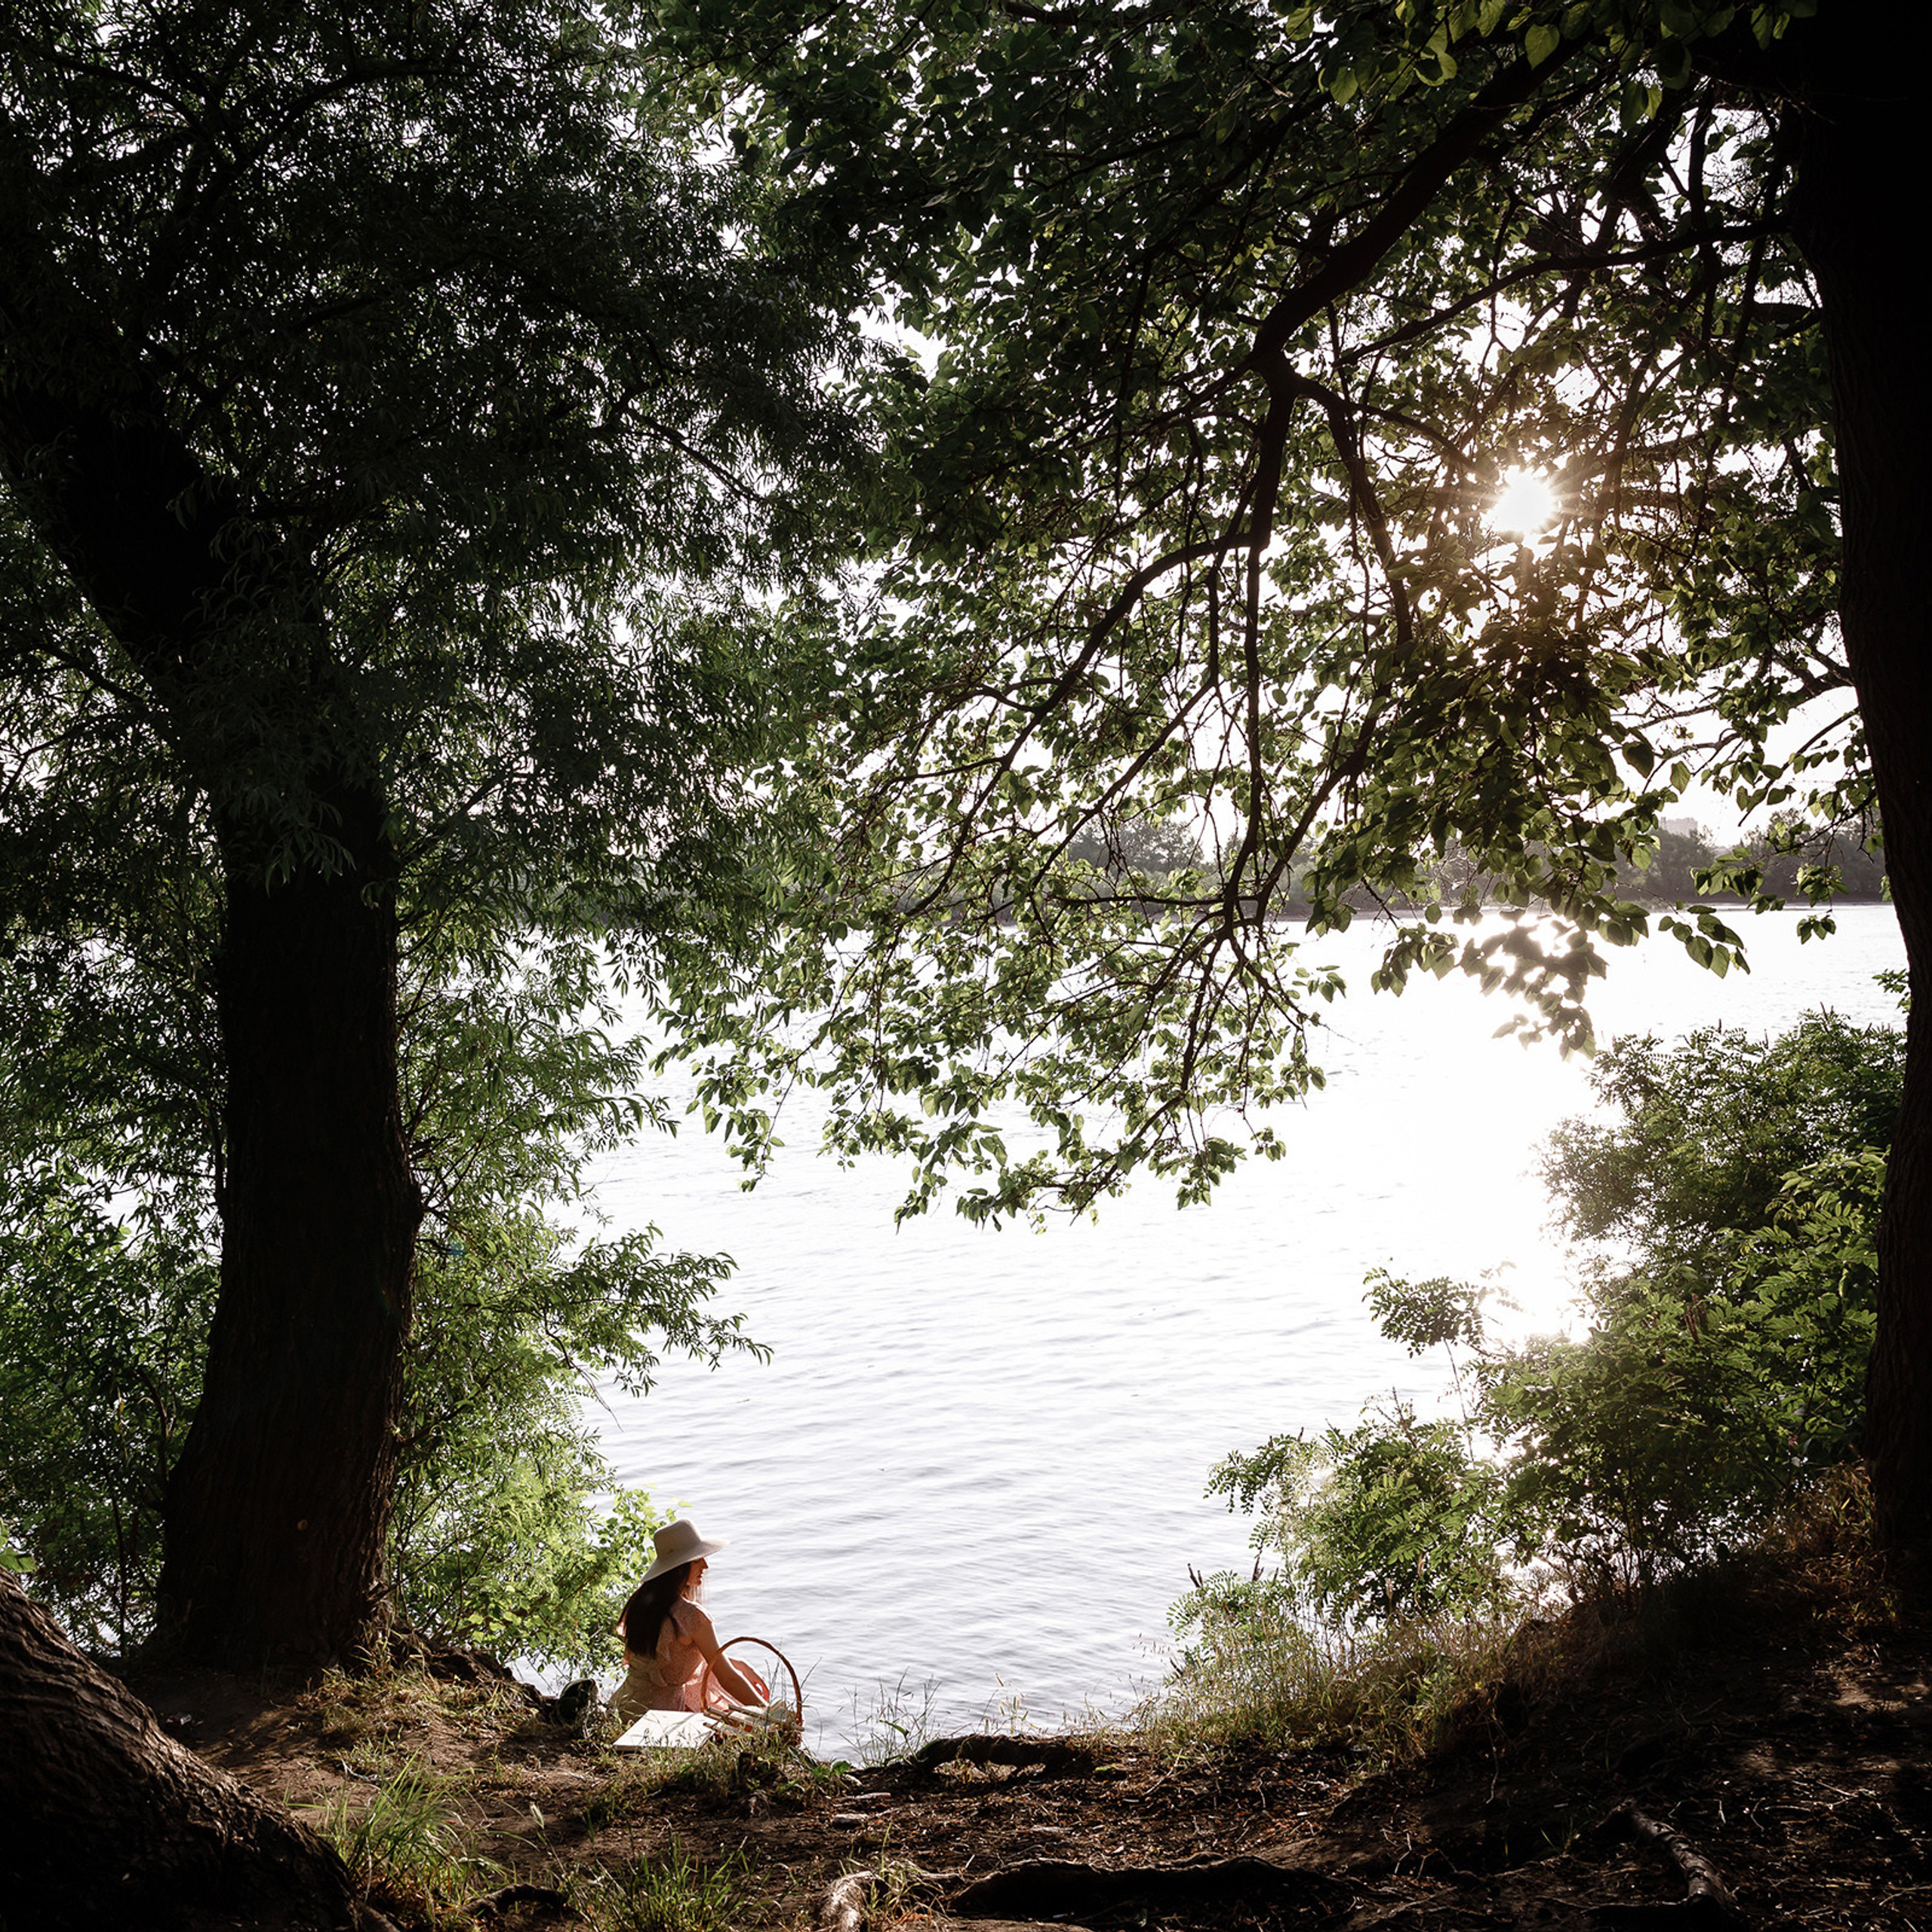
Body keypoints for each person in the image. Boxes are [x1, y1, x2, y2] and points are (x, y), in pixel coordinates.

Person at [608, 1518, 762, 1725]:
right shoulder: (692, 1616)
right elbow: (728, 1678)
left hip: (619, 1711)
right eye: (698, 1559)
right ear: (680, 1566)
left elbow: (672, 1660)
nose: (705, 1566)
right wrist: (770, 1715)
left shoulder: (641, 1602)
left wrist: (740, 1665)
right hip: (655, 1722)